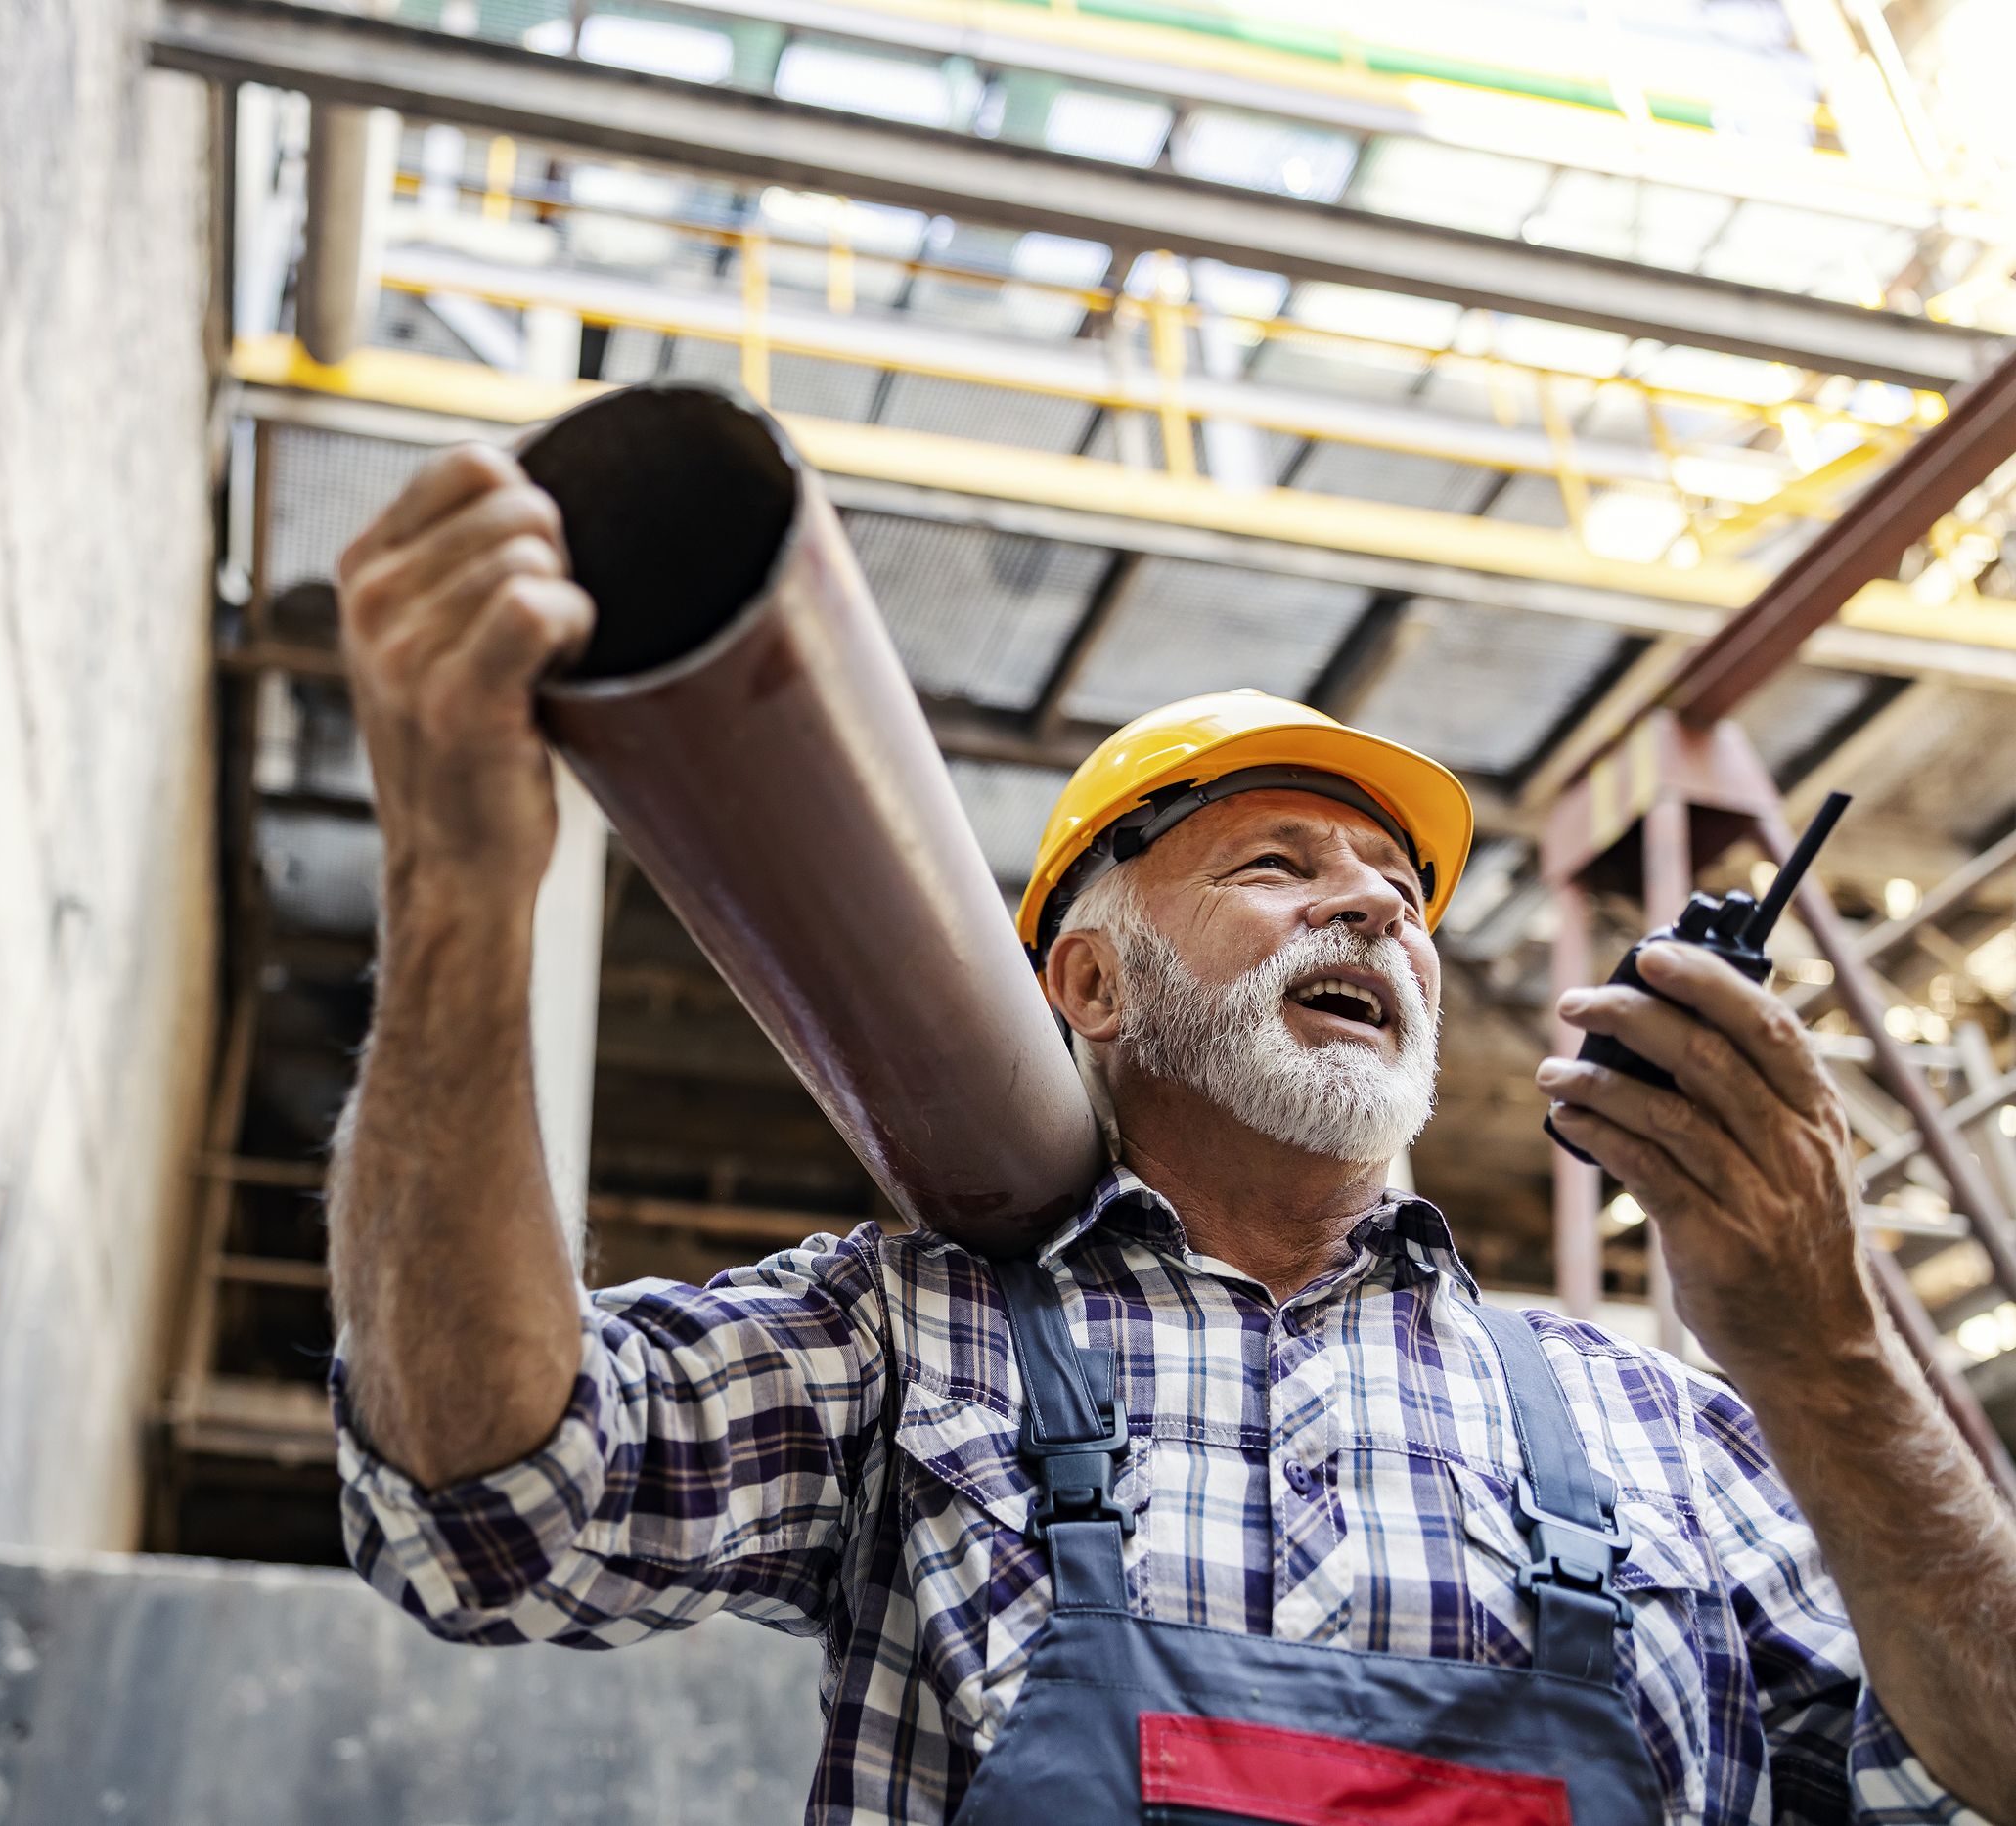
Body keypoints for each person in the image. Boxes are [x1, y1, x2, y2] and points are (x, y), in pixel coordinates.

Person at [319, 439, 2016, 1824]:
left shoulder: (1663, 1428)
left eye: (1396, 897)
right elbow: (487, 1518)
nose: (1367, 911)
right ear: (1092, 982)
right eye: (1278, 866)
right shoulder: (915, 1341)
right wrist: (463, 888)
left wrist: (1832, 1353)